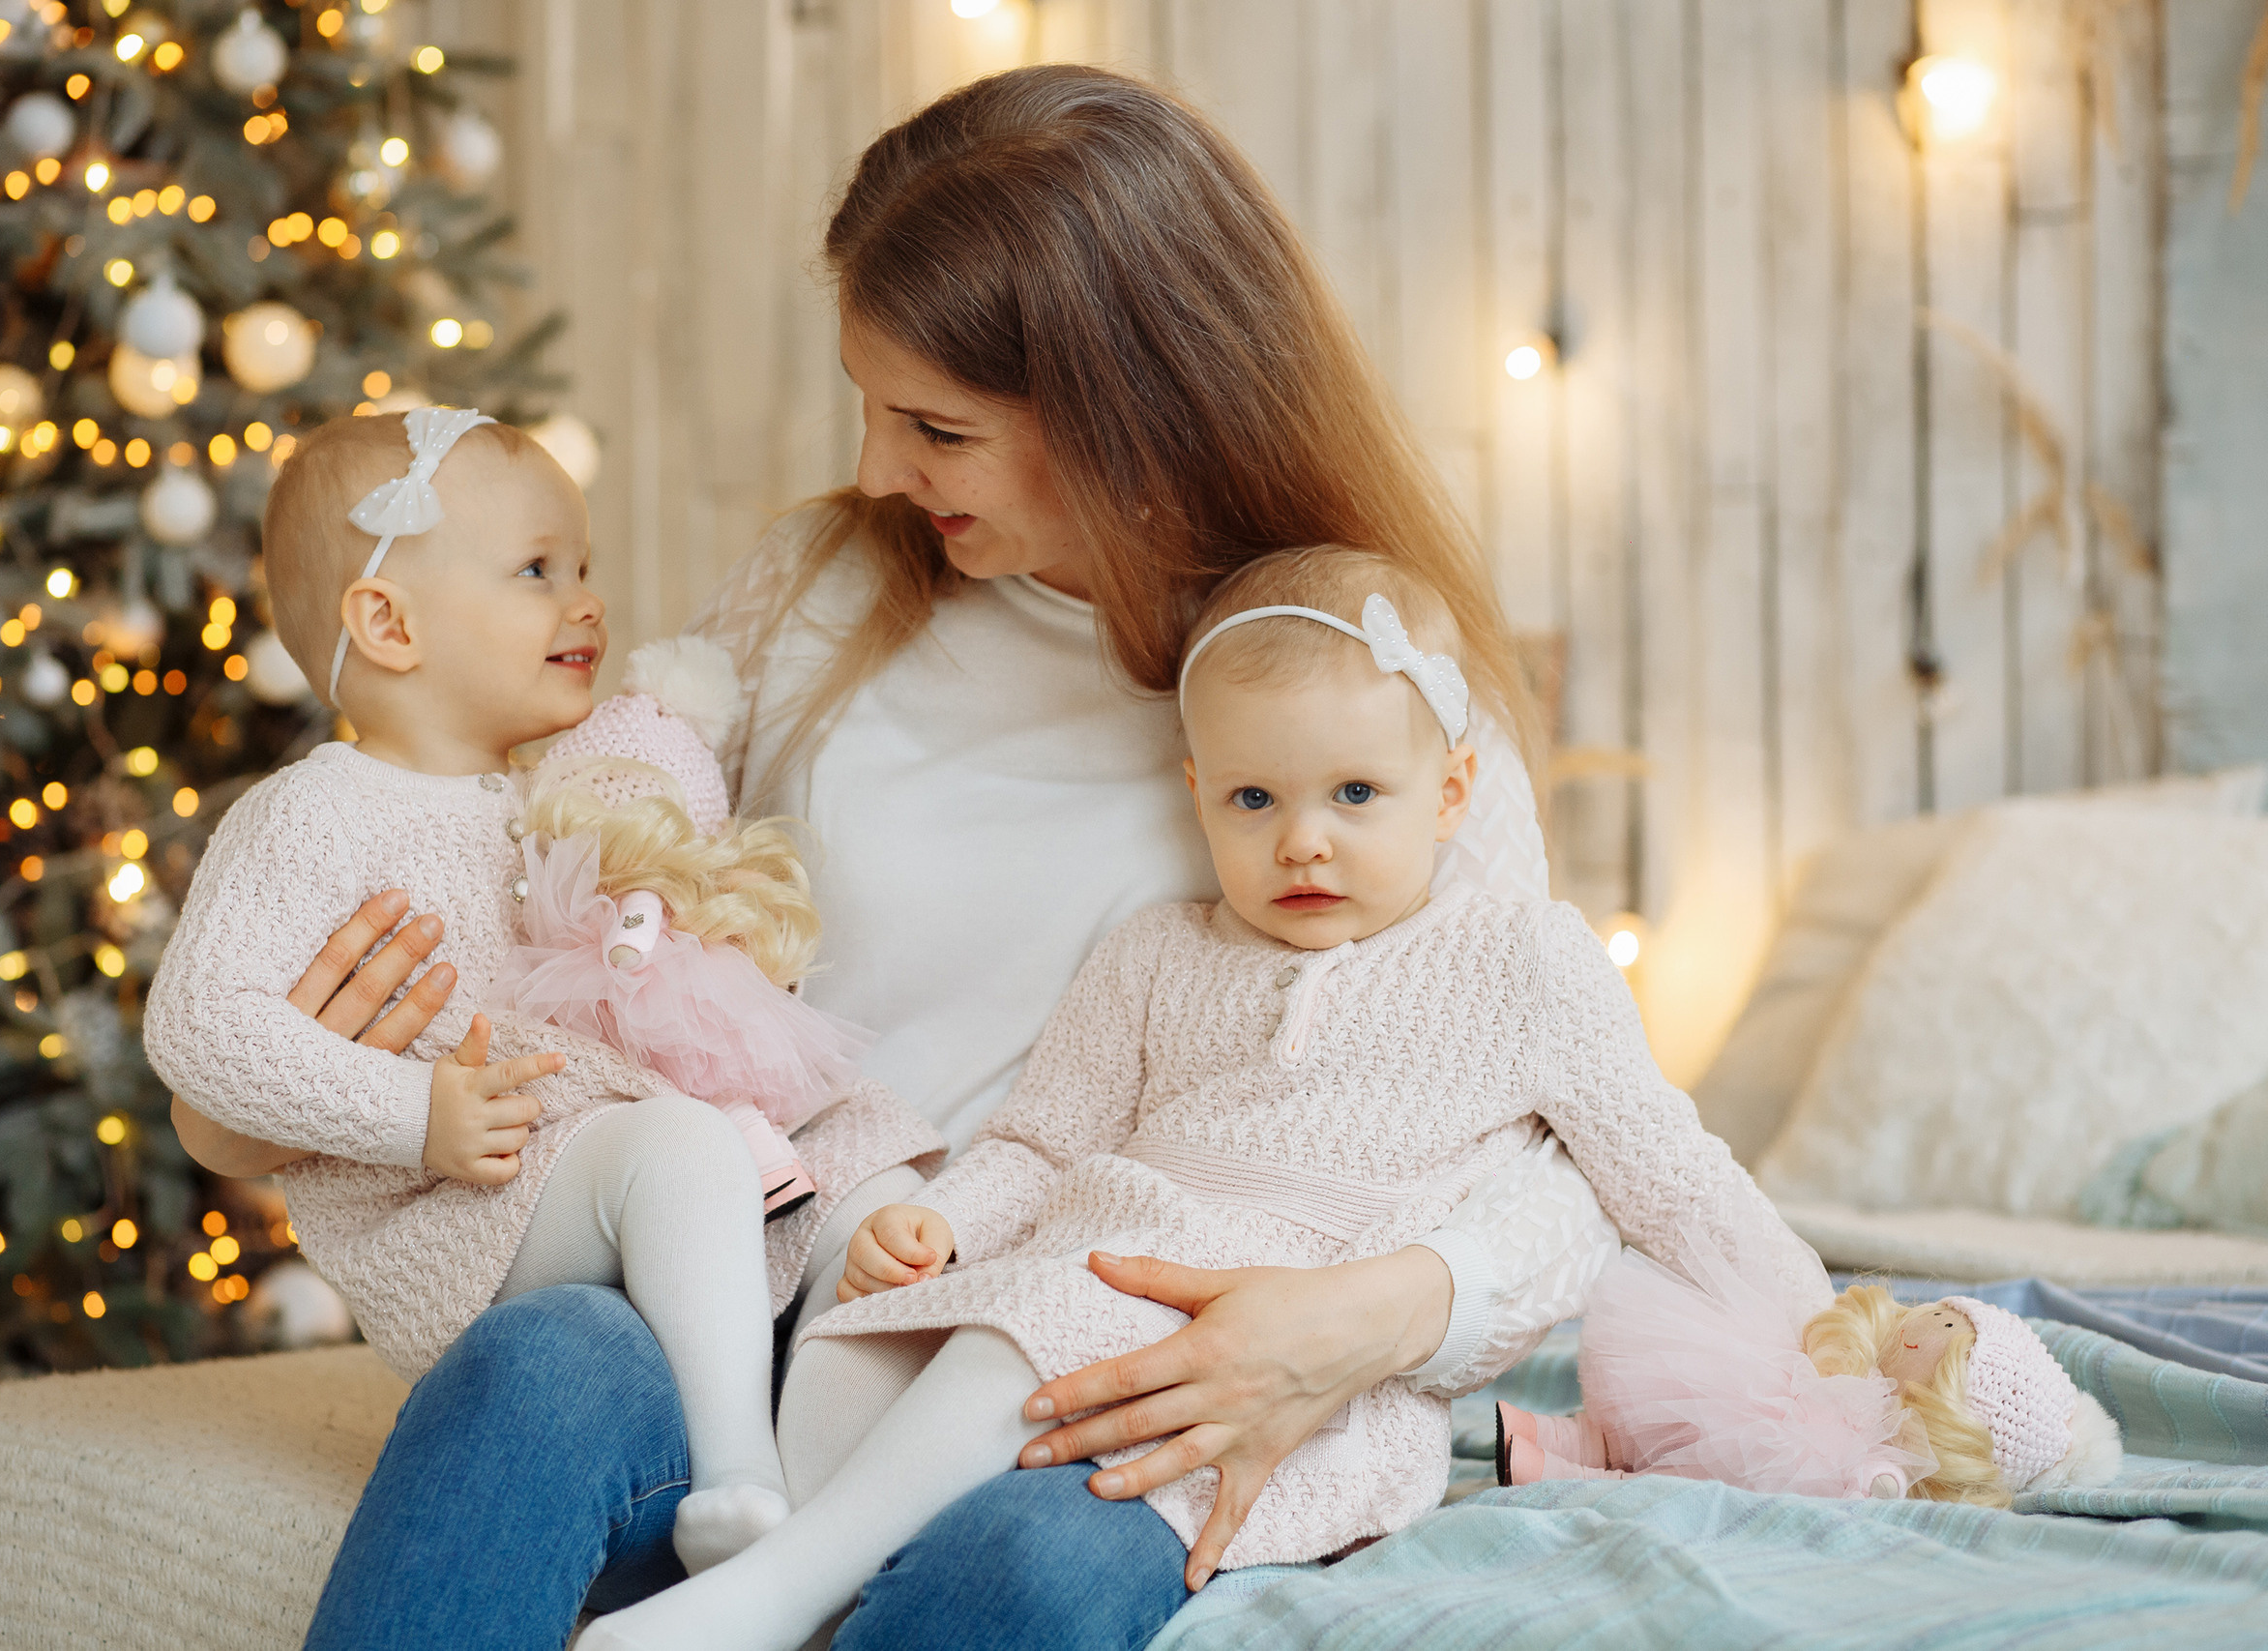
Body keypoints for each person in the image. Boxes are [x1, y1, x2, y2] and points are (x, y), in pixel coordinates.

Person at [181, 64, 1624, 1651]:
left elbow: (1560, 1154)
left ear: (1130, 406)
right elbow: (602, 899)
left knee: (1038, 1566)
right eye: (871, 404)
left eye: (936, 426)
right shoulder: (819, 587)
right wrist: (256, 1104)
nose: (877, 468)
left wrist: (1353, 1324)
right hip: (772, 1271)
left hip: (1083, 1324)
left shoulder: (1364, 686)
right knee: (540, 1371)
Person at [579, 553, 1829, 1651]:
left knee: (1052, 1314)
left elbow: (1668, 1170)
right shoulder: (1155, 950)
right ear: (1198, 790)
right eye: (1254, 799)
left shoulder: (1526, 958)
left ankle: (769, 1596)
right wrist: (946, 1221)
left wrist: (1822, 1324)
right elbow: (1041, 1137)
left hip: (1291, 1347)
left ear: (1448, 793)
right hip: (1081, 1261)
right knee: (872, 1327)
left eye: (1355, 795)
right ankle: (798, 1569)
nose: (1302, 842)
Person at [145, 408, 934, 1579]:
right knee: (672, 1151)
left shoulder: (544, 793)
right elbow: (202, 1029)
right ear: (387, 621)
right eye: (535, 571)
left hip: (565, 1171)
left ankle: (863, 1367)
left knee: (841, 1151)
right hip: (448, 1224)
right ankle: (740, 1484)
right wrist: (414, 1119)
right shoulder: (313, 812)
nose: (587, 603)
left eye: (583, 569)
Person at [1497, 1246, 2122, 1505]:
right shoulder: (1853, 1342)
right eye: (1939, 1315)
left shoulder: (1873, 1461)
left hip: (1781, 1445)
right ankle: (1566, 1434)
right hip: (1768, 1370)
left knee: (1693, 1473)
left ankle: (1577, 1474)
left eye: (1946, 1343)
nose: (1916, 1328)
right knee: (1673, 1403)